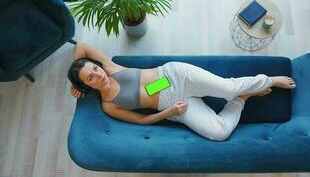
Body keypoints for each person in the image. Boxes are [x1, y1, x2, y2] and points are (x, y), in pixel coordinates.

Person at [68, 43, 296, 141]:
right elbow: (141, 119)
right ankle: (243, 98)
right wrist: (169, 112)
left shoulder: (110, 67)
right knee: (219, 134)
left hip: (172, 78)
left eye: (94, 68)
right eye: (90, 78)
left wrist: (75, 79)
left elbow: (82, 46)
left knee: (227, 87)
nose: (98, 74)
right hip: (173, 106)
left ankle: (270, 80)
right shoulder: (109, 104)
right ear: (88, 85)